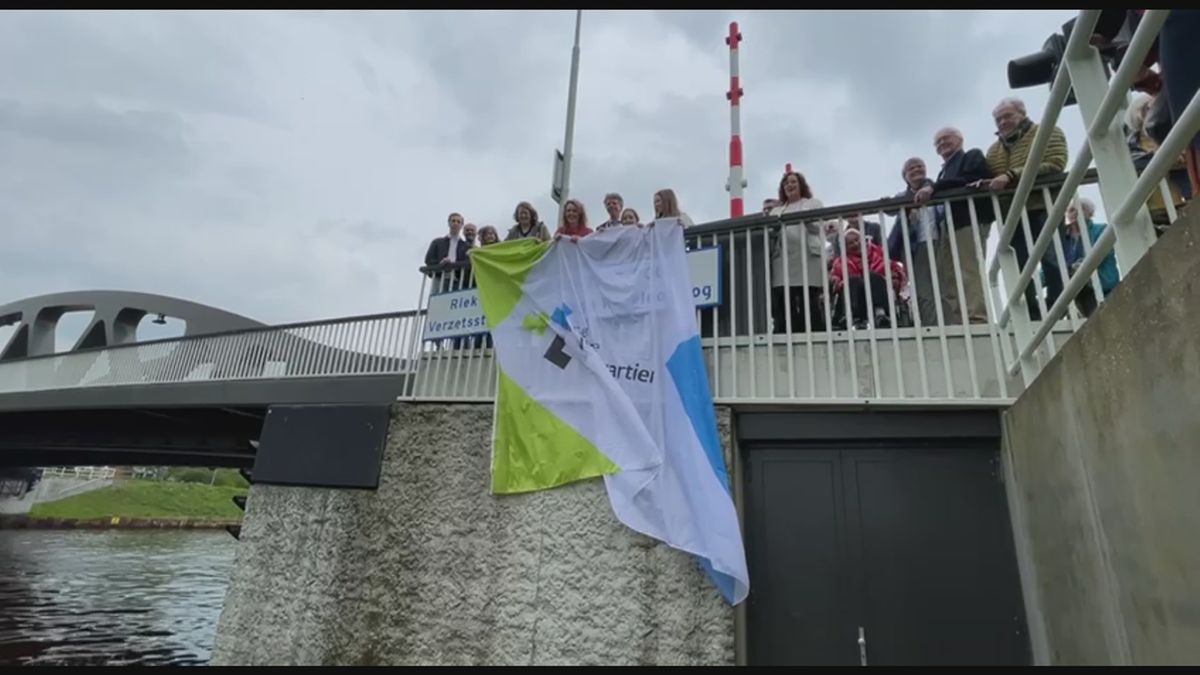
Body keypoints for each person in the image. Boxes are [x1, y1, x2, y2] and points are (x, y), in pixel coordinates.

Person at [982, 96, 1068, 320]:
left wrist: (1012, 175)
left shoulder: (1047, 131)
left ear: (1022, 114)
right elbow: (990, 177)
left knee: (1052, 259)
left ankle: (1058, 308)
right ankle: (1030, 313)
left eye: (1007, 116)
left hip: (1043, 206)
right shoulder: (993, 151)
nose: (1002, 122)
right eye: (998, 119)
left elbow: (1056, 163)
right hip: (1012, 215)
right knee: (1017, 266)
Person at [919, 127, 994, 323]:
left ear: (959, 140)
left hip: (968, 220)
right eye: (938, 142)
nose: (942, 143)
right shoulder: (943, 171)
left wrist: (934, 188)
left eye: (946, 138)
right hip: (948, 226)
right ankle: (960, 320)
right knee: (950, 277)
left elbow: (972, 178)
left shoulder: (972, 156)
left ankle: (977, 318)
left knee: (968, 270)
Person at [768, 170, 829, 333]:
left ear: (801, 185)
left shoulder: (813, 203)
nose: (790, 185)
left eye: (793, 182)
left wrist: (807, 220)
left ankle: (816, 333)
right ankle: (786, 333)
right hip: (784, 260)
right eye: (786, 183)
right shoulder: (777, 211)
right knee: (785, 298)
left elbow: (818, 228)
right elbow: (771, 234)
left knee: (808, 298)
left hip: (807, 257)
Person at [1125, 94, 1191, 232]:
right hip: (1155, 208)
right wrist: (1169, 157)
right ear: (1138, 114)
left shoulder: (1172, 135)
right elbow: (1137, 161)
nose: (1156, 111)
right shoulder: (1131, 146)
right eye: (1149, 108)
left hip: (1182, 199)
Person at [830, 219, 906, 330]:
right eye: (850, 243)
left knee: (872, 276)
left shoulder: (879, 253)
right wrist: (837, 281)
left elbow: (896, 269)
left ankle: (881, 313)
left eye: (857, 240)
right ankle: (853, 317)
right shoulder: (840, 262)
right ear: (845, 247)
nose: (855, 244)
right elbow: (834, 277)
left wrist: (893, 276)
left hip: (879, 294)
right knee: (853, 280)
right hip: (856, 298)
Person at [1055, 198, 1120, 318]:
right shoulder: (1063, 238)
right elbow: (1055, 263)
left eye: (1081, 209)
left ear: (1090, 214)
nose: (1075, 213)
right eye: (1071, 210)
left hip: (1099, 285)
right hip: (1076, 290)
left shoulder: (1100, 230)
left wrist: (1079, 266)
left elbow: (1102, 253)